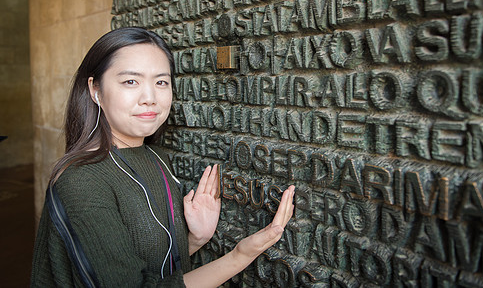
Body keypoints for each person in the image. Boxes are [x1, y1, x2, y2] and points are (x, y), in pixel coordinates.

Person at [31, 27, 295, 287]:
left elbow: (152, 266)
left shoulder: (156, 159)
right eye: (130, 81)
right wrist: (240, 256)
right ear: (95, 90)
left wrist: (195, 239)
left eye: (161, 82)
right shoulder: (82, 182)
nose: (150, 98)